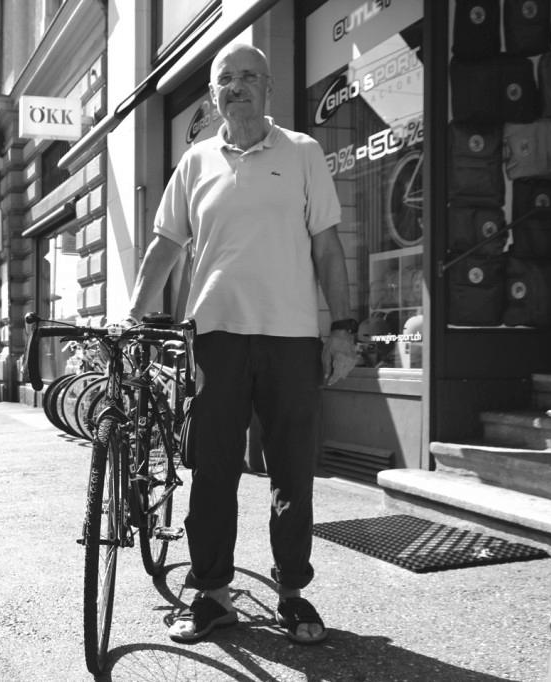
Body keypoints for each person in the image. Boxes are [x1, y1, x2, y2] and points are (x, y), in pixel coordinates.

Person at [124, 43, 358, 646]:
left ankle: (293, 593)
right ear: (213, 96)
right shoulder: (197, 161)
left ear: (270, 89)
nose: (237, 87)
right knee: (213, 470)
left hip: (292, 337)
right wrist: (135, 315)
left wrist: (343, 330)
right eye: (226, 80)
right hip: (217, 338)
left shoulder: (304, 152)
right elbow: (165, 248)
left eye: (249, 77)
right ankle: (212, 595)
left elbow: (328, 250)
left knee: (291, 472)